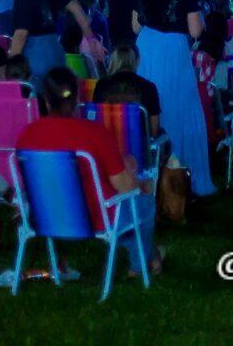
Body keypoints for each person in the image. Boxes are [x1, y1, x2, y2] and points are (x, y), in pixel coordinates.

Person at [16, 67, 159, 277]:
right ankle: (140, 265)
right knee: (143, 202)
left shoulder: (27, 136)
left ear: (45, 98)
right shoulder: (95, 133)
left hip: (43, 218)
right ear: (76, 98)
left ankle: (150, 258)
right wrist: (144, 184)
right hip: (97, 220)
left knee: (130, 206)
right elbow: (125, 186)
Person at [136, 0, 215, 196]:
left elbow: (135, 24)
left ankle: (150, 171)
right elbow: (195, 30)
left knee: (149, 102)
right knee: (179, 105)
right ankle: (179, 172)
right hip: (172, 48)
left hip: (146, 43)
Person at [93, 40, 163, 126]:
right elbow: (154, 128)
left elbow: (94, 120)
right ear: (138, 61)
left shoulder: (101, 85)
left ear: (113, 60)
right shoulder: (149, 87)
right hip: (138, 135)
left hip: (106, 134)